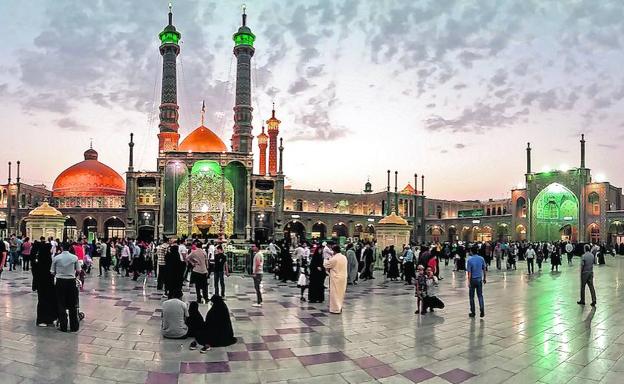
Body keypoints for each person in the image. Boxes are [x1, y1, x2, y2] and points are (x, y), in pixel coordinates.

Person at [51, 242, 82, 332]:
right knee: (73, 304)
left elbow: (52, 271)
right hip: (71, 282)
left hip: (60, 282)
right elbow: (79, 270)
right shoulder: (74, 258)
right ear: (70, 248)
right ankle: (74, 326)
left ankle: (63, 325)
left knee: (61, 304)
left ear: (61, 247)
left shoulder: (56, 258)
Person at [34, 237, 57, 326]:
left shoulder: (39, 260)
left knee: (46, 301)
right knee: (44, 301)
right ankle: (42, 319)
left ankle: (48, 319)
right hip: (45, 284)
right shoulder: (46, 260)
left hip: (44, 284)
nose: (51, 250)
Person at [323, 245, 348, 314]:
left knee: (335, 294)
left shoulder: (334, 258)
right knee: (341, 293)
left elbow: (326, 265)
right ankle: (340, 307)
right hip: (343, 277)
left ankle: (335, 309)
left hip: (336, 278)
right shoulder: (344, 257)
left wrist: (326, 259)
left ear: (334, 251)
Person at [466, 247, 486, 318]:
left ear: (471, 252)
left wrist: (468, 281)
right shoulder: (481, 258)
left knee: (471, 297)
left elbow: (469, 272)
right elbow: (484, 269)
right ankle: (482, 309)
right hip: (479, 279)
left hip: (472, 280)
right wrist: (484, 278)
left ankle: (473, 312)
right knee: (480, 295)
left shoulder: (470, 260)